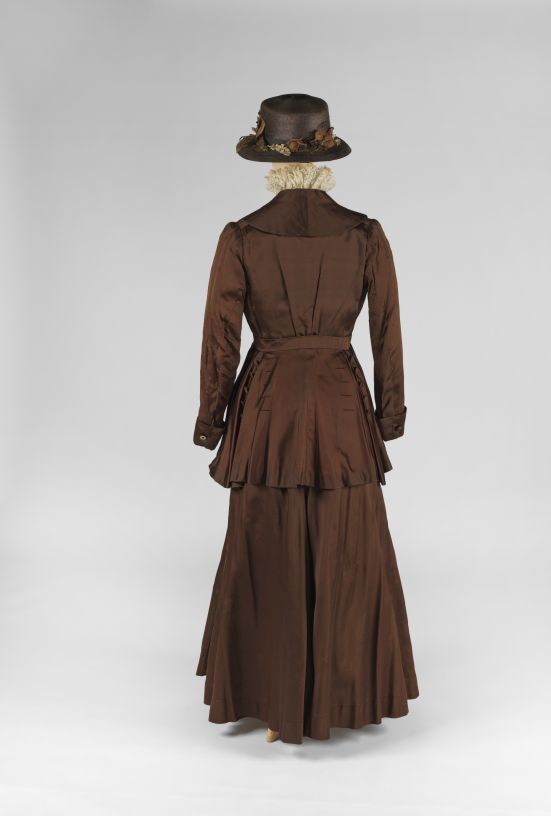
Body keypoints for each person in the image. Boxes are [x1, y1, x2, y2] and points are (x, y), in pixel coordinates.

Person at [193, 93, 419, 745]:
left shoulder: (241, 236)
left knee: (265, 541)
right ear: (325, 160)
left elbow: (220, 341)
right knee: (350, 544)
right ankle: (343, 694)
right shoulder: (364, 233)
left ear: (269, 162)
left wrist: (212, 419)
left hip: (267, 405)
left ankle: (274, 693)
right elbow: (387, 330)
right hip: (342, 403)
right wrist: (390, 413)